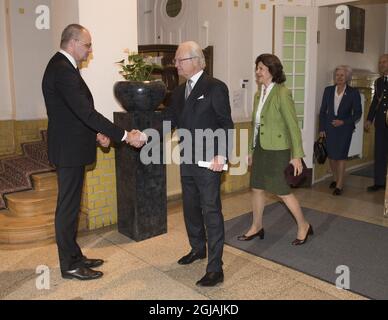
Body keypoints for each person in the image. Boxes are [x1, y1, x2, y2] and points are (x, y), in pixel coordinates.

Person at [42, 24, 143, 281]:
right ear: (73, 42)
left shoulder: (63, 67)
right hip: (68, 151)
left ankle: (75, 256)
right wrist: (123, 135)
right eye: (87, 45)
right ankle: (70, 266)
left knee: (72, 207)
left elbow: (73, 115)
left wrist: (96, 134)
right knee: (67, 209)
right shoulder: (62, 70)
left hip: (71, 147)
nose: (89, 51)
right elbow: (85, 112)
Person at [159, 41, 233, 286]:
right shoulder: (179, 92)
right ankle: (198, 248)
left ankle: (215, 268)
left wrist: (222, 155)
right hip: (187, 159)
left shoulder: (215, 87)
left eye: (179, 60)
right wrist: (145, 135)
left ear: (195, 60)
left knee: (211, 211)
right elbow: (168, 121)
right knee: (190, 207)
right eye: (176, 60)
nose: (175, 64)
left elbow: (225, 123)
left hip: (209, 161)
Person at [237, 54, 312, 245]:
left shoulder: (282, 93)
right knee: (257, 188)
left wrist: (296, 155)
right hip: (261, 149)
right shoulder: (258, 94)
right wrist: (251, 151)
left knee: (282, 190)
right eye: (257, 68)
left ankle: (303, 225)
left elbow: (292, 126)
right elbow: (256, 125)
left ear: (272, 70)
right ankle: (257, 226)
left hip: (278, 150)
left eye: (261, 68)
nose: (257, 72)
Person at [319, 65, 362, 196]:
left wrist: (343, 121)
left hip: (345, 129)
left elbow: (358, 113)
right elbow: (322, 111)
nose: (339, 77)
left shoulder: (353, 92)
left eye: (342, 75)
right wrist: (321, 128)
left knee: (341, 157)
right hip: (330, 128)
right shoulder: (328, 90)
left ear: (347, 77)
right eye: (337, 75)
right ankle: (335, 178)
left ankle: (339, 185)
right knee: (332, 156)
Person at [364, 54, 388, 192]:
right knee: (379, 152)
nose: (381, 64)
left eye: (384, 62)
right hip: (380, 123)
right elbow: (375, 101)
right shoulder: (378, 81)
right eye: (380, 62)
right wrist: (369, 119)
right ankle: (379, 182)